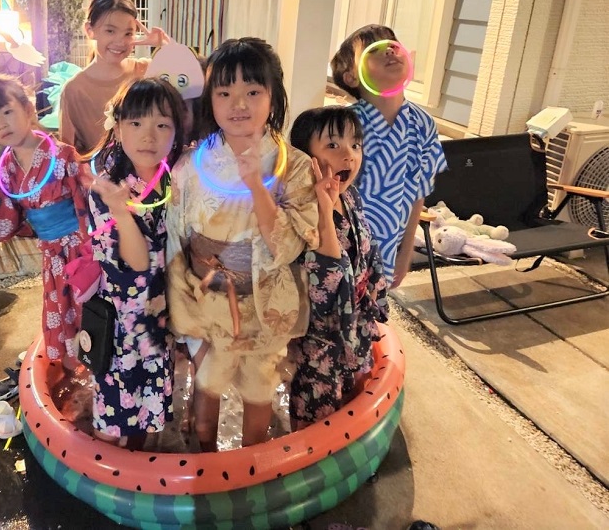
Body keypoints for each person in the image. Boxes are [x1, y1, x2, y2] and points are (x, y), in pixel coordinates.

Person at [166, 37, 319, 452]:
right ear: (210, 100)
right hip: (206, 302)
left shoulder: (294, 165)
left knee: (259, 388)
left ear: (273, 96)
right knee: (206, 385)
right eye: (224, 93)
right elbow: (176, 246)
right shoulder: (190, 165)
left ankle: (253, 462)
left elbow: (290, 247)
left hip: (262, 304)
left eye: (253, 91)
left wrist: (256, 185)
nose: (239, 104)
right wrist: (184, 317)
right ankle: (205, 459)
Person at [0, 76, 91, 380]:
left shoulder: (63, 155)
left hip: (83, 252)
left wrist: (94, 252)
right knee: (65, 322)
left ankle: (99, 381)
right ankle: (76, 383)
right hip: (52, 258)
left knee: (92, 317)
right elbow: (1, 226)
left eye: (7, 112)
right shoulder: (5, 170)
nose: (1, 124)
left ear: (28, 109)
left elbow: (89, 206)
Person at [85, 77, 187, 449]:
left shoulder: (172, 177)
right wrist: (121, 213)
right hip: (123, 320)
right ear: (118, 128)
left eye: (162, 125)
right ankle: (102, 472)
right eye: (137, 123)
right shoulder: (107, 187)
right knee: (113, 411)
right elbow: (136, 264)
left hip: (159, 313)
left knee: (148, 408)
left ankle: (136, 464)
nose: (149, 136)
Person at [287, 106, 388, 430]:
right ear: (306, 158)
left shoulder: (351, 196)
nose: (349, 156)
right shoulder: (303, 208)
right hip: (320, 342)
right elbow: (325, 283)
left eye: (355, 145)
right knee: (316, 427)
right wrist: (324, 208)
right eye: (333, 145)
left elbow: (367, 254)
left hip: (354, 329)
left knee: (355, 410)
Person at [330, 24, 447, 287]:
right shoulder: (344, 124)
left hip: (389, 246)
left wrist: (405, 252)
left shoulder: (423, 123)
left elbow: (419, 192)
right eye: (374, 50)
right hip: (342, 243)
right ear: (351, 77)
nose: (390, 52)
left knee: (375, 303)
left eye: (393, 46)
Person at [59, 0, 169, 154]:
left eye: (128, 33)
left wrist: (167, 46)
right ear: (90, 30)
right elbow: (66, 152)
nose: (120, 42)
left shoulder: (147, 70)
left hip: (152, 166)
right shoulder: (74, 90)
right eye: (110, 31)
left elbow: (192, 84)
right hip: (99, 170)